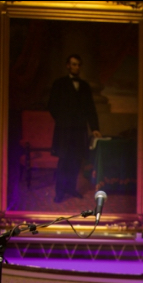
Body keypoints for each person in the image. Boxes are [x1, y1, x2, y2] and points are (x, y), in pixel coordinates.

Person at [48, 53, 101, 203]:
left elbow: (90, 108)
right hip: (64, 131)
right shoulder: (59, 83)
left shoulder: (85, 86)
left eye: (78, 64)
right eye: (73, 64)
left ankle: (71, 188)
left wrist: (95, 127)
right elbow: (52, 105)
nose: (76, 67)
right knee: (64, 161)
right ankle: (59, 193)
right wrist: (63, 120)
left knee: (76, 161)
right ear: (68, 66)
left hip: (79, 131)